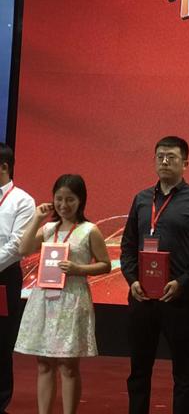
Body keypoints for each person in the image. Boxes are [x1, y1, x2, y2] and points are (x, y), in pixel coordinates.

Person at [120, 136, 189, 414]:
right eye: (160, 156)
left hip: (178, 299)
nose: (164, 161)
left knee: (183, 370)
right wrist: (132, 280)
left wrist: (183, 281)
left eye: (171, 157)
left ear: (185, 163)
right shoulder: (141, 199)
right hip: (142, 297)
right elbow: (127, 246)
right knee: (139, 369)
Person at [14, 174, 111, 414]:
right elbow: (23, 249)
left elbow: (105, 265)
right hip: (43, 299)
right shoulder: (48, 229)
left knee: (68, 365)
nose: (63, 205)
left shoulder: (89, 230)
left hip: (72, 300)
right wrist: (37, 219)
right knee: (44, 363)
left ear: (81, 201)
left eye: (70, 199)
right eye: (59, 199)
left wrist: (80, 269)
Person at [0, 143, 35, 414]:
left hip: (4, 277)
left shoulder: (22, 200)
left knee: (1, 342)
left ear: (4, 166)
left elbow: (16, 246)